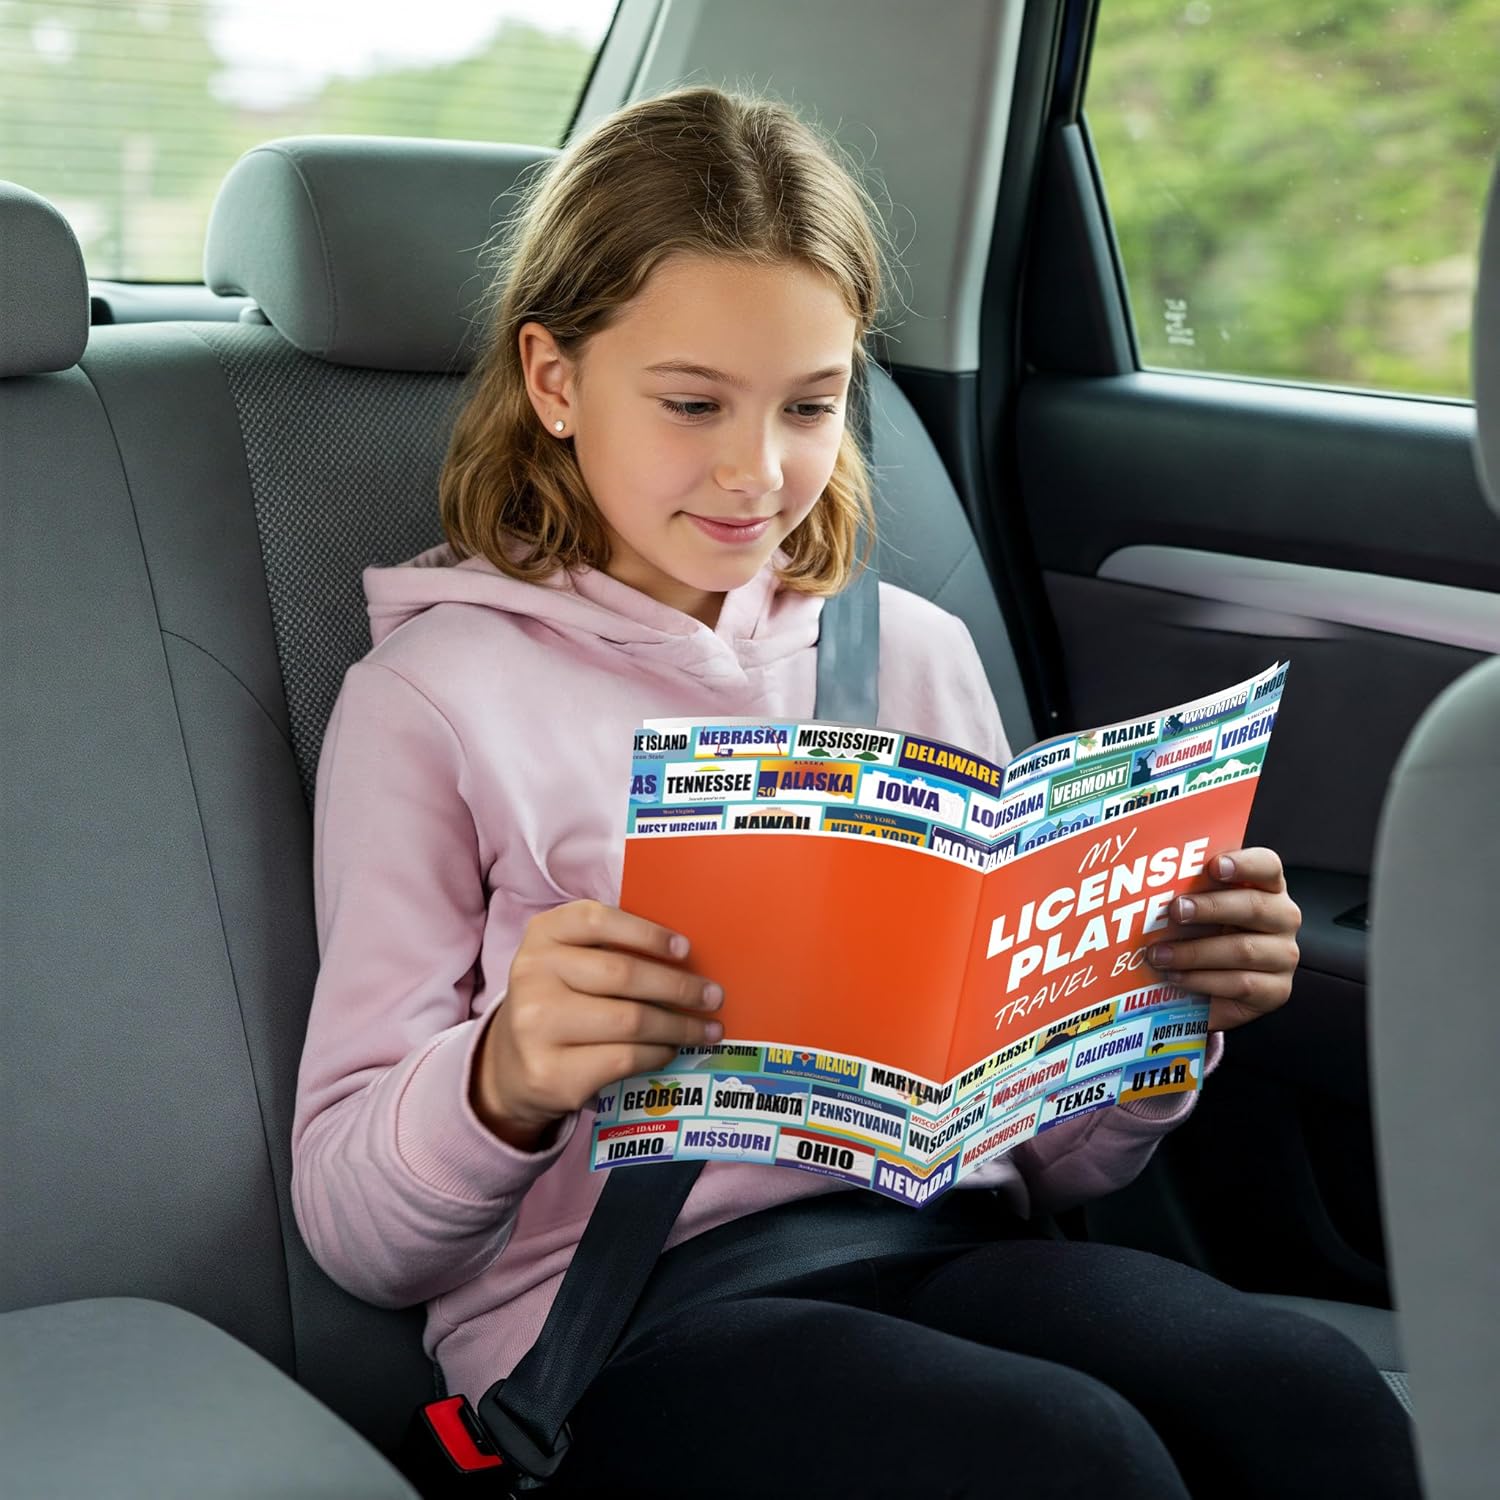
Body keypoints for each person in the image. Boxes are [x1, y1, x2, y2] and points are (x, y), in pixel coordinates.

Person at [292, 85, 1419, 1499]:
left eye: (811, 406)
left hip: (949, 1243)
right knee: (1065, 1460)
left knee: (1306, 1400)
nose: (756, 471)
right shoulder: (436, 698)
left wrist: (1146, 1016)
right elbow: (354, 1227)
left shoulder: (909, 654)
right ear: (556, 380)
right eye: (692, 403)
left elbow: (1054, 1165)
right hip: (629, 1318)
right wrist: (501, 1077)